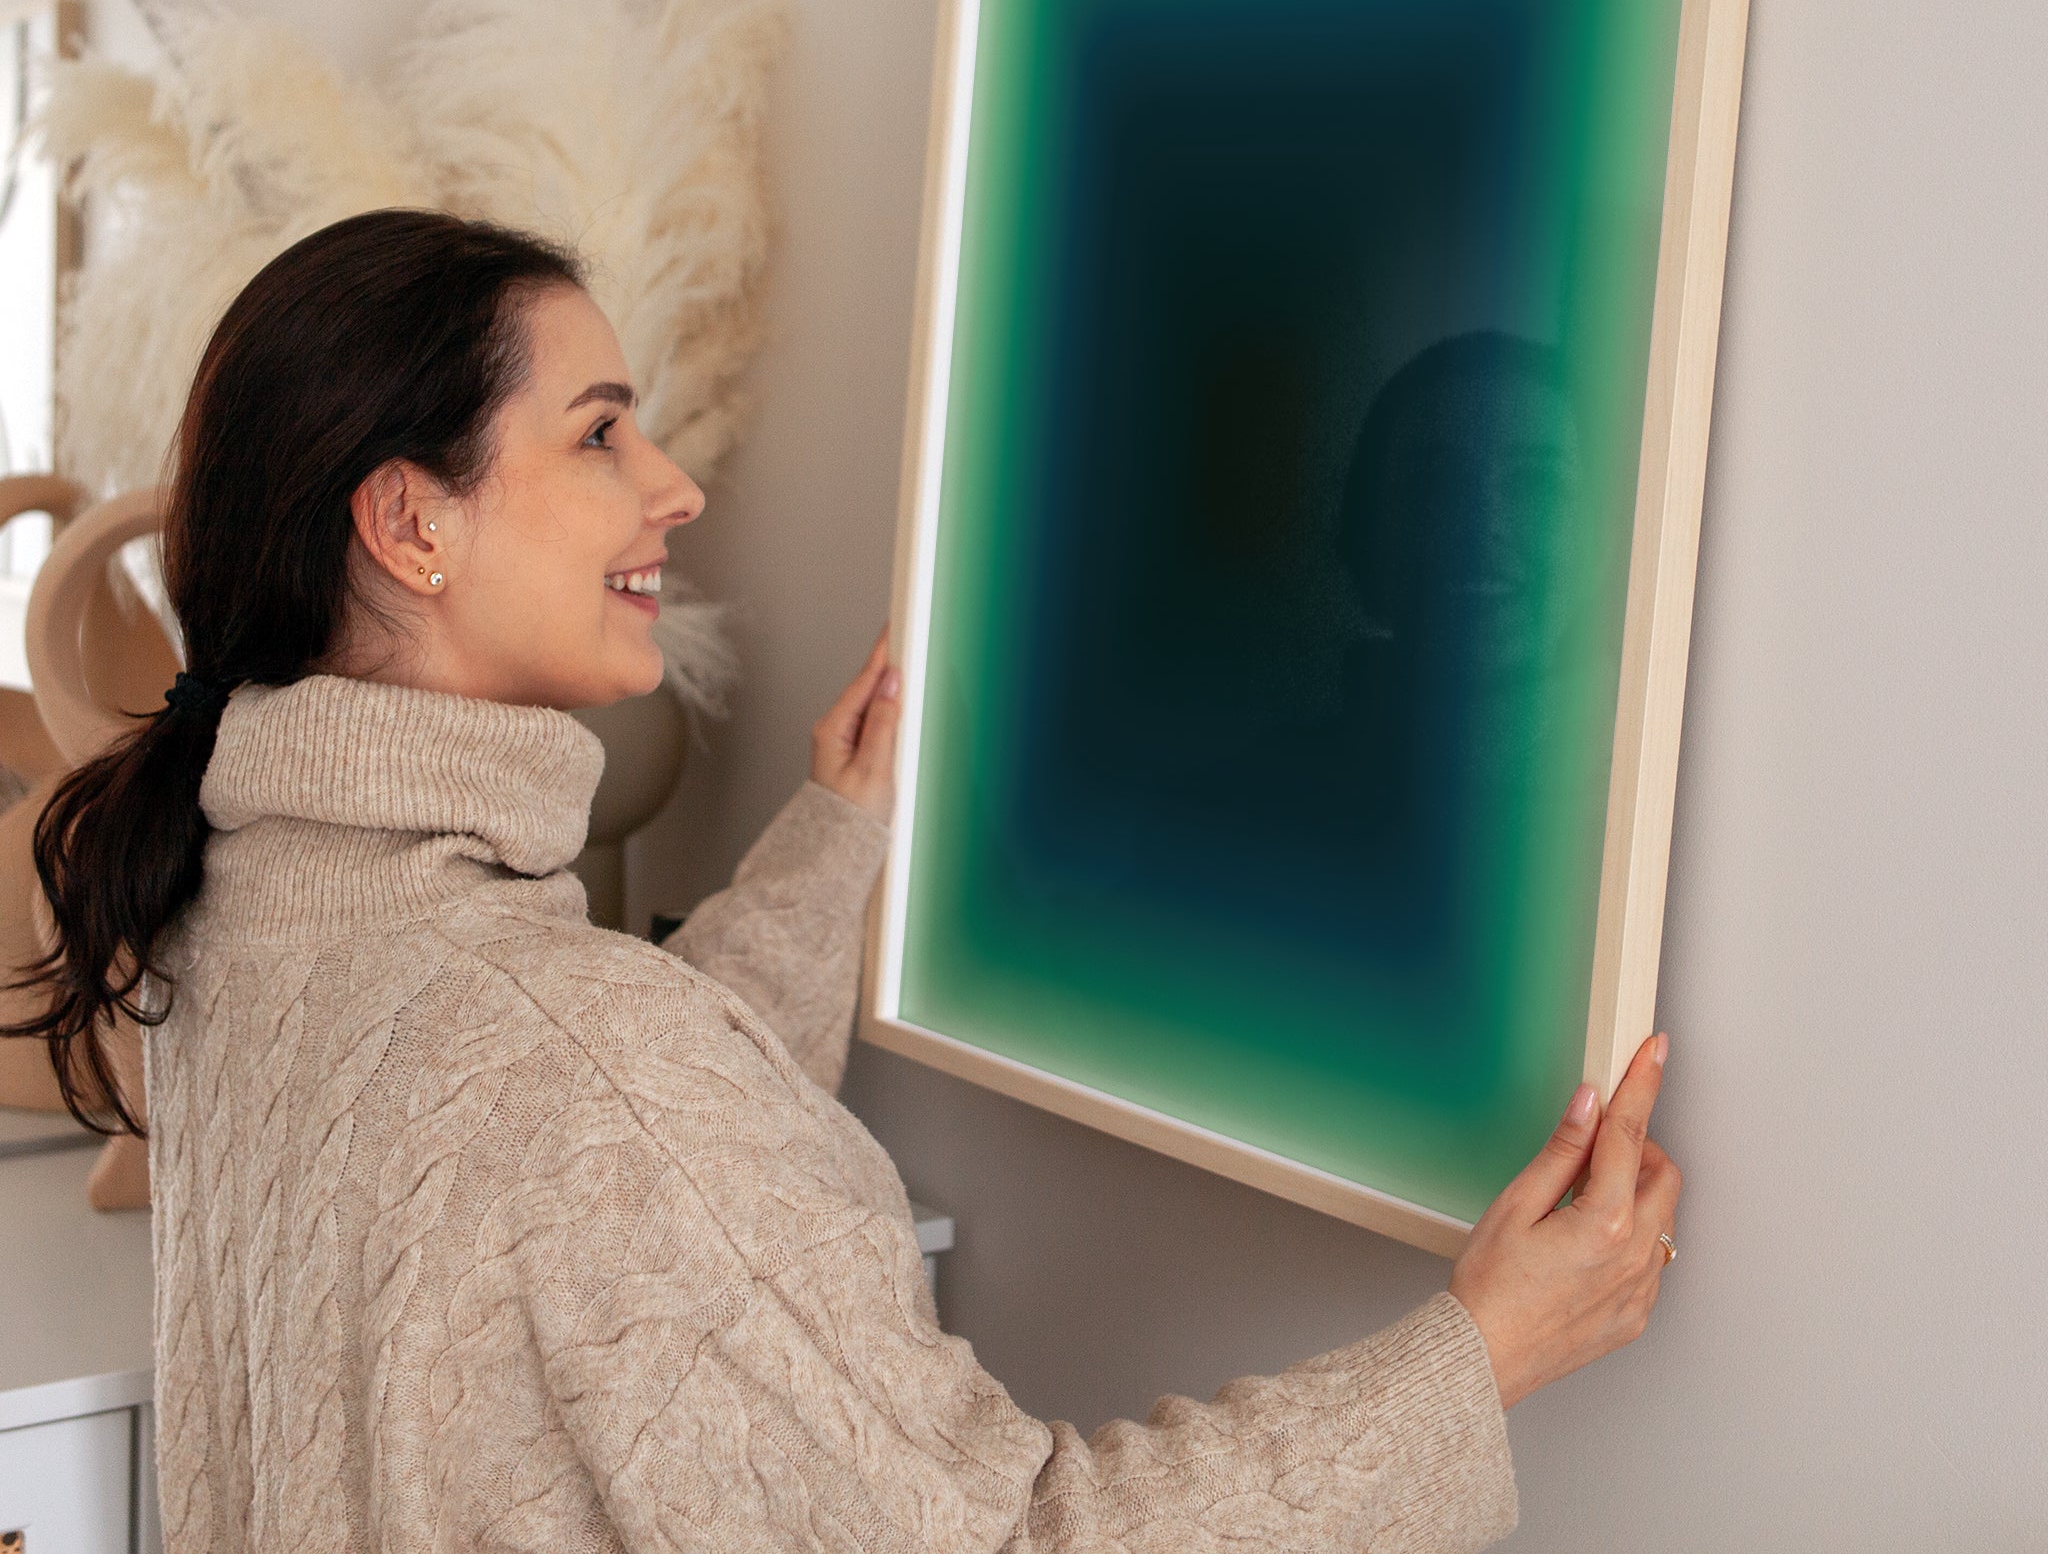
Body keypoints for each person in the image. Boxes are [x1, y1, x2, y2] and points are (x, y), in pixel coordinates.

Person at [9, 210, 1680, 1553]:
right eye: (600, 432)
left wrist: (837, 830)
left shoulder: (237, 921)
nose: (674, 484)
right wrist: (1484, 1355)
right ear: (410, 524)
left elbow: (593, 1167)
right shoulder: (565, 1060)